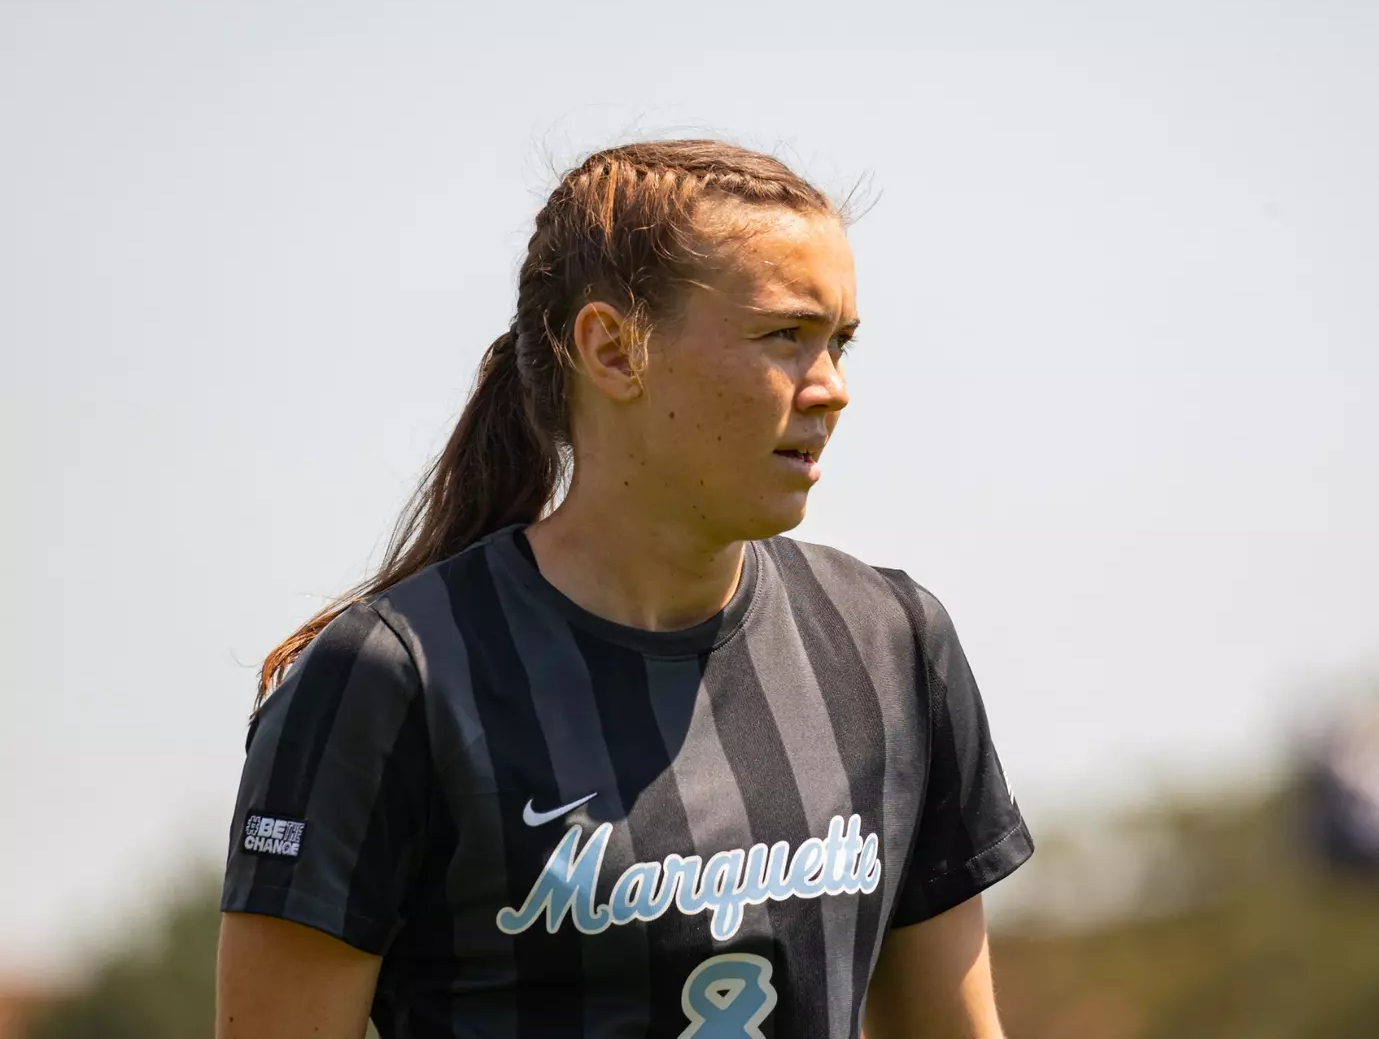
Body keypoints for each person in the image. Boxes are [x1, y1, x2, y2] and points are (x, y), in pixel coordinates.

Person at [215, 138, 1034, 1039]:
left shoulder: (891, 643)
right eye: (785, 337)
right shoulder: (388, 679)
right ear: (612, 350)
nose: (831, 389)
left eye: (839, 342)